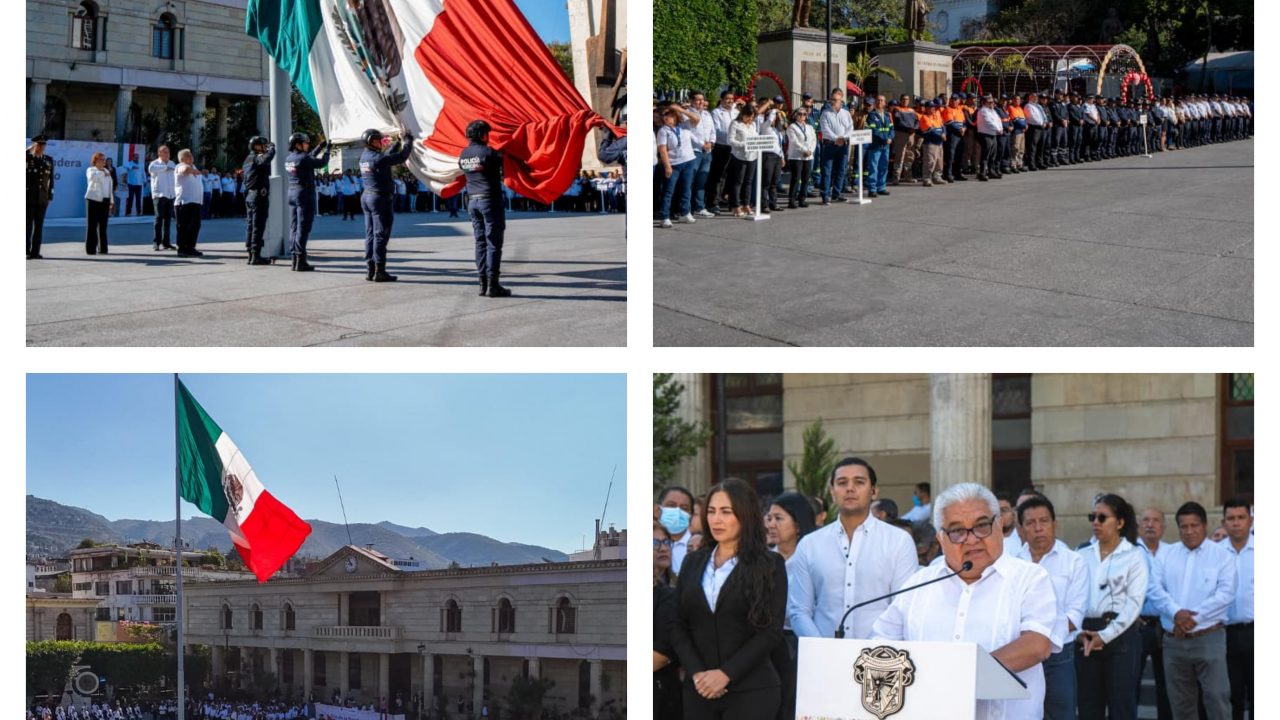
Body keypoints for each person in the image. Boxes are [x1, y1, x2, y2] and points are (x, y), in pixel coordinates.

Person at [871, 483, 1057, 719]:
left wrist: (960, 677)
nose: (971, 540)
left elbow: (1037, 644)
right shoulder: (919, 585)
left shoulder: (1029, 578)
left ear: (999, 525)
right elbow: (880, 642)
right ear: (940, 537)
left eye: (981, 526)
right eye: (957, 531)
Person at [670, 478, 787, 720]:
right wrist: (698, 674)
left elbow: (771, 632)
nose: (716, 519)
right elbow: (678, 624)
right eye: (711, 511)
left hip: (752, 691)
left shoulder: (770, 565)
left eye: (726, 511)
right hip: (698, 690)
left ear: (745, 514)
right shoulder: (693, 562)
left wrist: (725, 674)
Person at [787, 457, 918, 639]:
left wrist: (872, 652)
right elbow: (799, 610)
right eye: (842, 483)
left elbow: (904, 607)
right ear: (832, 492)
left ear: (874, 491)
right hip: (822, 657)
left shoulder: (898, 541)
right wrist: (821, 648)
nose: (850, 488)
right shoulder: (810, 544)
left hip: (878, 658)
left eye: (859, 482)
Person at [1146, 501, 1235, 720]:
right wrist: (1177, 613)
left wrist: (1195, 618)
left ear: (1205, 526)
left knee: (1217, 700)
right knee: (1181, 704)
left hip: (1209, 638)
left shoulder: (1222, 555)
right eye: (1184, 526)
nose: (1189, 531)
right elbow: (1154, 589)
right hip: (1174, 641)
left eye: (1194, 525)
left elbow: (1225, 594)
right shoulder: (1167, 555)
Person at [1075, 493, 1147, 720]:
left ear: (1120, 522)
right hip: (1086, 634)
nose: (1096, 522)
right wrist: (1079, 632)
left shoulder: (1134, 555)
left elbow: (1134, 604)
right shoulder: (1081, 553)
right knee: (1088, 707)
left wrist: (1105, 636)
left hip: (1120, 635)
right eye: (1092, 517)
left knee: (1122, 707)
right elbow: (1072, 597)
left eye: (1102, 517)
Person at [1016, 495, 1088, 720]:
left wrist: (1042, 640)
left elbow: (1075, 615)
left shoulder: (1074, 562)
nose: (1038, 528)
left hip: (1059, 656)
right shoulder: (1012, 564)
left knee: (1061, 715)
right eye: (1030, 523)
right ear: (1020, 529)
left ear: (1055, 524)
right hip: (1020, 654)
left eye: (1044, 521)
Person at [458, 119, 511, 297]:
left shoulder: (463, 155)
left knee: (480, 242)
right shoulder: (488, 152)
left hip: (472, 201)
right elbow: (505, 161)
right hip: (490, 201)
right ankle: (493, 284)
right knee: (494, 243)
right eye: (487, 133)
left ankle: (482, 283)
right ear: (482, 134)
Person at [360, 127, 416, 282]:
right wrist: (408, 141)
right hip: (380, 199)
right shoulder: (378, 158)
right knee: (381, 235)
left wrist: (397, 142)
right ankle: (380, 271)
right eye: (379, 140)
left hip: (367, 197)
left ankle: (370, 269)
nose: (381, 143)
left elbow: (387, 155)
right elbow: (401, 157)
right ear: (372, 142)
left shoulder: (365, 156)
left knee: (370, 234)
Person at [1136, 507, 1174, 720]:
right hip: (1137, 625)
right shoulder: (1130, 551)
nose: (1150, 524)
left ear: (1164, 527)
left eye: (1156, 520)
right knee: (1131, 683)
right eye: (1146, 520)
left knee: (1166, 684)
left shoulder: (1172, 552)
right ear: (1139, 526)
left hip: (1164, 625)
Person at [1219, 498, 1252, 720]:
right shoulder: (1214, 553)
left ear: (1251, 520)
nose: (1236, 523)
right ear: (1223, 522)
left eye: (1241, 518)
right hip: (1224, 634)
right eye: (1231, 518)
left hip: (1257, 631)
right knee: (1232, 695)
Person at [285, 132, 330, 272]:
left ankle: (294, 259)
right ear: (298, 144)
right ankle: (300, 261)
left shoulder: (290, 158)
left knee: (294, 228)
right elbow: (322, 163)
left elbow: (309, 157)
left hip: (292, 193)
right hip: (304, 194)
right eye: (305, 143)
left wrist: (319, 147)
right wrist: (327, 150)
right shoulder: (303, 158)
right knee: (303, 229)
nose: (307, 145)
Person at [656, 104, 698, 228]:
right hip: (673, 164)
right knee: (668, 190)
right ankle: (664, 216)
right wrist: (667, 166)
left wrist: (680, 109)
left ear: (675, 115)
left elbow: (696, 119)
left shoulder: (684, 125)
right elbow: (662, 150)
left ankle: (685, 212)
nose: (665, 118)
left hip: (688, 160)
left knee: (686, 189)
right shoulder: (663, 130)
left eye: (668, 115)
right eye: (664, 115)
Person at [241, 136, 276, 265]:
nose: (265, 147)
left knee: (251, 225)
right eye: (263, 145)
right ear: (256, 146)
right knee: (257, 226)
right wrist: (272, 149)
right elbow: (266, 159)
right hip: (257, 196)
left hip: (251, 195)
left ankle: (251, 253)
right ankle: (256, 255)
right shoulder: (256, 157)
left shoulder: (248, 159)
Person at [705, 90, 739, 214]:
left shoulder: (736, 112)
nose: (730, 101)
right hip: (721, 146)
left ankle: (727, 200)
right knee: (717, 176)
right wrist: (732, 137)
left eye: (732, 99)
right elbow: (717, 130)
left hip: (734, 148)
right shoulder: (716, 112)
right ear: (722, 99)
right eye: (727, 98)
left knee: (731, 176)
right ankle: (712, 202)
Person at [725, 104, 760, 217]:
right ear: (743, 114)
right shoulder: (735, 124)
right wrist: (744, 145)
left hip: (752, 156)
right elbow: (730, 140)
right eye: (748, 116)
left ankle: (746, 204)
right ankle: (735, 206)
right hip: (739, 156)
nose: (750, 119)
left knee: (748, 182)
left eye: (752, 117)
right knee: (737, 182)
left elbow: (756, 138)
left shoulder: (753, 125)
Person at [818, 89, 852, 203]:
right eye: (831, 99)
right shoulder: (825, 113)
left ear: (841, 100)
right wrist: (836, 139)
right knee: (827, 171)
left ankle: (837, 194)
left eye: (835, 100)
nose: (832, 101)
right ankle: (825, 195)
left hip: (843, 145)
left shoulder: (846, 113)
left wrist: (844, 138)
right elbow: (825, 129)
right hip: (830, 145)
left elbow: (850, 128)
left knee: (841, 170)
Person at [687, 91, 717, 218]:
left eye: (702, 99)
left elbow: (712, 130)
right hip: (695, 151)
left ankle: (700, 207)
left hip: (707, 151)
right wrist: (701, 144)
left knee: (701, 181)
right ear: (692, 101)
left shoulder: (707, 114)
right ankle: (687, 209)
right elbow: (688, 132)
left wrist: (711, 142)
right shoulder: (688, 114)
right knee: (690, 181)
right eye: (698, 99)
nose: (701, 102)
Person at [765, 491, 816, 561]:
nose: (770, 525)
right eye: (769, 519)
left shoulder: (812, 558)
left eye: (778, 518)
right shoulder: (763, 559)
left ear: (798, 525)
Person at [26, 135, 54, 259]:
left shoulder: (48, 160)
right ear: (35, 145)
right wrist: (28, 149)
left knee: (39, 226)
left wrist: (49, 196)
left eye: (43, 145)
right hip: (27, 197)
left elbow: (51, 180)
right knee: (27, 226)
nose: (42, 147)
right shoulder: (27, 158)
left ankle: (35, 251)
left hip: (42, 198)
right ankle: (25, 251)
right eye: (39, 144)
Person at [657, 485, 697, 574]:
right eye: (671, 505)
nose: (677, 511)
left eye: (684, 508)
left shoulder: (699, 546)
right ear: (658, 509)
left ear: (691, 514)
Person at [174, 148, 205, 257]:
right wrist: (193, 171)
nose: (192, 157)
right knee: (183, 226)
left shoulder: (193, 167)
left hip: (196, 201)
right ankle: (181, 249)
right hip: (184, 202)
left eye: (191, 155)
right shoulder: (180, 166)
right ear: (182, 158)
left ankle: (191, 247)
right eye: (188, 156)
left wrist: (194, 170)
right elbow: (184, 171)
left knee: (195, 225)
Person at [84, 152, 114, 255]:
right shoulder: (91, 170)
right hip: (93, 200)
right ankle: (91, 249)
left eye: (104, 160)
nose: (103, 161)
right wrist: (102, 172)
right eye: (101, 159)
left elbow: (110, 187)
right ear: (95, 161)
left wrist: (111, 201)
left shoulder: (107, 171)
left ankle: (103, 248)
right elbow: (93, 177)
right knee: (92, 225)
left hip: (105, 200)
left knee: (103, 226)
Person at [785, 106, 816, 208]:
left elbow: (813, 140)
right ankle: (792, 200)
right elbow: (794, 141)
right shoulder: (792, 127)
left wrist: (810, 151)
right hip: (796, 156)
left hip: (808, 156)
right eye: (800, 114)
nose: (802, 116)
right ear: (795, 115)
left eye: (804, 114)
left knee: (806, 178)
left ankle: (802, 199)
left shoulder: (809, 127)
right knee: (796, 178)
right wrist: (804, 150)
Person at [149, 146, 177, 251]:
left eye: (168, 152)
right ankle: (156, 242)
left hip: (170, 195)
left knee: (168, 220)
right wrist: (165, 168)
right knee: (158, 219)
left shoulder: (172, 163)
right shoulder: (154, 163)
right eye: (165, 152)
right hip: (159, 195)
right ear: (159, 153)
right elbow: (150, 170)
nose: (167, 154)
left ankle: (166, 242)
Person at [864, 95, 893, 197]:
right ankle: (872, 189)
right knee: (873, 167)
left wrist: (890, 137)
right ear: (875, 103)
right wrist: (885, 139)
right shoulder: (871, 116)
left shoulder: (887, 115)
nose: (880, 102)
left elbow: (891, 129)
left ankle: (881, 187)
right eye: (878, 100)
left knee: (883, 167)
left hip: (885, 146)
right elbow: (873, 131)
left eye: (882, 100)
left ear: (885, 103)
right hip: (875, 146)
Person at [975, 95, 1003, 181]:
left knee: (993, 154)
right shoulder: (983, 111)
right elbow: (988, 122)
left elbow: (998, 120)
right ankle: (982, 173)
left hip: (993, 134)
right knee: (985, 155)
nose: (992, 103)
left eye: (992, 102)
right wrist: (998, 129)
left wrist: (1000, 128)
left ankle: (991, 171)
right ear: (984, 102)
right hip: (985, 134)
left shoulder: (992, 111)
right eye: (990, 102)